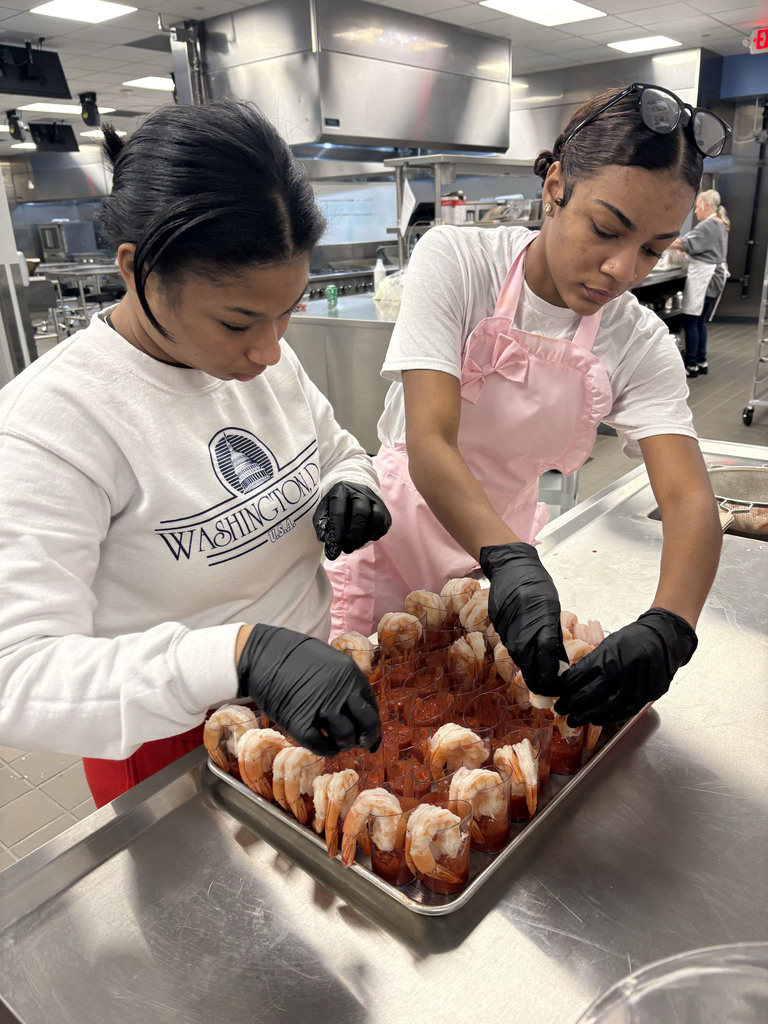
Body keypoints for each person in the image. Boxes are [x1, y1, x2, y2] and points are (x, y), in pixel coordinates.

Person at [0, 101, 391, 808]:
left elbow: (337, 448)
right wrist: (239, 654)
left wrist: (349, 481)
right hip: (170, 746)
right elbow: (17, 675)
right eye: (238, 320)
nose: (270, 350)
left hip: (310, 702)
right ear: (139, 270)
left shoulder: (263, 361)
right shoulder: (54, 424)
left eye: (287, 312)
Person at [327, 82, 728, 726]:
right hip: (397, 543)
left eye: (653, 247)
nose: (623, 270)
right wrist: (507, 554)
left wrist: (671, 624)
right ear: (555, 186)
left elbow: (687, 497)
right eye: (606, 229)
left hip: (502, 568)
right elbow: (429, 441)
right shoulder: (458, 261)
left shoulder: (636, 338)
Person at [668, 188, 729, 378]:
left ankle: (691, 364)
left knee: (690, 320)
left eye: (697, 207)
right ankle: (702, 361)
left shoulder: (708, 225)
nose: (695, 212)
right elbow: (700, 248)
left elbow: (683, 244)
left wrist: (654, 241)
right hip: (713, 278)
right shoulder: (720, 224)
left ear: (707, 206)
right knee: (700, 321)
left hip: (705, 278)